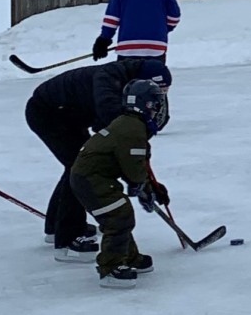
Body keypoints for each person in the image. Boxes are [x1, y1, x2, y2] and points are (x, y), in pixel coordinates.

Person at [27, 57, 171, 260]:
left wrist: (146, 180)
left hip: (70, 115)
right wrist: (140, 180)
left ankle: (55, 227)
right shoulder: (109, 83)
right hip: (48, 113)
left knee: (77, 166)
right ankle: (67, 239)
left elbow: (139, 129)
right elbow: (122, 137)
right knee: (80, 167)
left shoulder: (133, 87)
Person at [68, 79, 170, 289]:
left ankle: (129, 257)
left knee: (120, 214)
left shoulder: (129, 123)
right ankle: (111, 268)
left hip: (95, 178)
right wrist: (143, 188)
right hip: (91, 180)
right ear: (146, 104)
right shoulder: (132, 129)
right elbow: (133, 170)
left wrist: (151, 188)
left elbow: (134, 165)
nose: (158, 108)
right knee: (118, 216)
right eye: (156, 103)